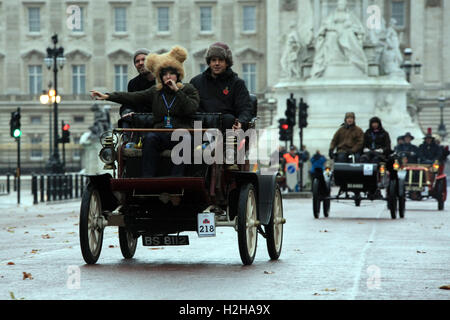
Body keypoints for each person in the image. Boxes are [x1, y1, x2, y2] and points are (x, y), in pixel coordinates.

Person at [90, 46, 200, 177]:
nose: (168, 77)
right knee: (150, 138)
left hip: (182, 132)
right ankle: (148, 178)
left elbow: (191, 108)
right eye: (164, 74)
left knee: (185, 138)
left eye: (171, 73)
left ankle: (177, 179)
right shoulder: (156, 91)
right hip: (161, 132)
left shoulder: (188, 89)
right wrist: (108, 96)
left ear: (178, 75)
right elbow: (133, 96)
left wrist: (177, 91)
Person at [190, 42, 253, 131]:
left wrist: (241, 122)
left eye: (221, 60)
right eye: (213, 60)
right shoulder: (196, 82)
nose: (217, 63)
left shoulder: (237, 83)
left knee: (229, 119)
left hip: (227, 128)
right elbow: (189, 107)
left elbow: (245, 108)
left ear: (227, 62)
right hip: (201, 128)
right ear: (209, 62)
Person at [119, 48, 156, 121]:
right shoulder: (133, 83)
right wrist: (127, 111)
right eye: (137, 61)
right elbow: (128, 103)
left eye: (144, 59)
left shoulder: (165, 79)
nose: (140, 63)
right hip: (142, 123)